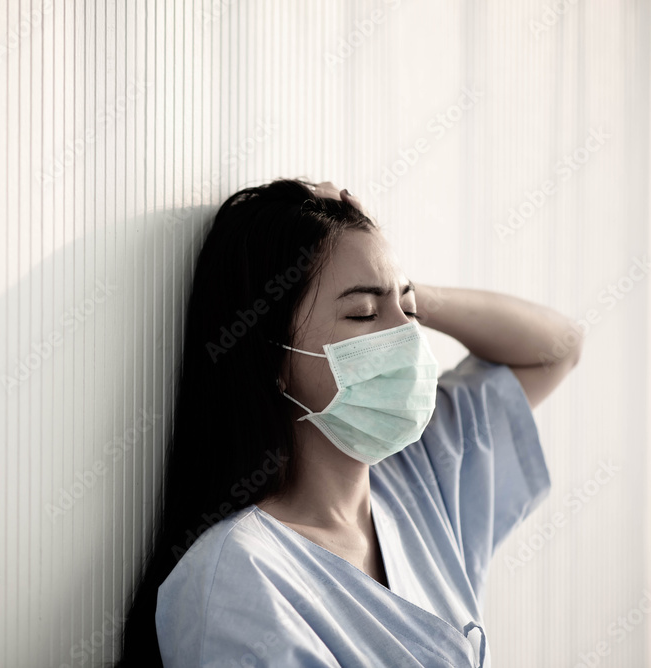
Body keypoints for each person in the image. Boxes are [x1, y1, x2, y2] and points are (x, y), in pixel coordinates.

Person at [115, 178, 582, 667]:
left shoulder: (420, 476)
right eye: (363, 314)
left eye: (409, 310)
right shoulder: (238, 576)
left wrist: (397, 283)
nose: (408, 335)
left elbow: (557, 348)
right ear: (271, 360)